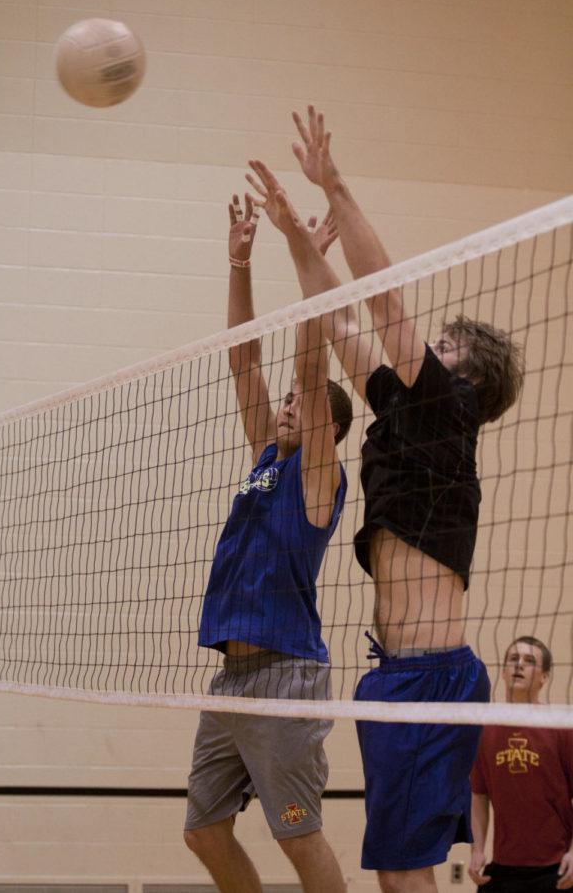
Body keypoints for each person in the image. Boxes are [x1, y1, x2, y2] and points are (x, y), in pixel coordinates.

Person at [246, 104, 525, 893]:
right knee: (401, 875)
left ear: (461, 378)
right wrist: (298, 239)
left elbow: (384, 300)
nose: (423, 349)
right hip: (399, 678)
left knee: (404, 877)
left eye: (442, 348)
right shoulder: (405, 410)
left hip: (429, 677)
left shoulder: (445, 411)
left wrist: (335, 185)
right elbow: (336, 314)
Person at [183, 191, 353, 893]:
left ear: (326, 430)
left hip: (286, 677)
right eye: (282, 399)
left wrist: (306, 256)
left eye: (298, 403)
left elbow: (311, 376)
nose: (286, 403)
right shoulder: (265, 457)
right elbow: (241, 359)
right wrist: (239, 259)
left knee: (297, 832)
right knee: (202, 829)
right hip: (234, 677)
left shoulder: (320, 477)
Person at [469, 636, 573, 891]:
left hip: (556, 866)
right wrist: (477, 849)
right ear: (503, 672)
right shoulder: (485, 728)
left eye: (529, 661)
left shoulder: (560, 726)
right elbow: (479, 795)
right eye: (513, 659)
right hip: (504, 867)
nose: (519, 665)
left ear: (544, 677)